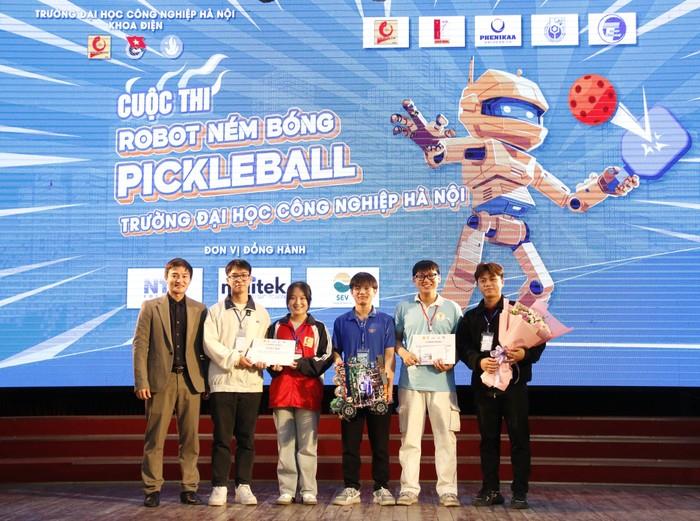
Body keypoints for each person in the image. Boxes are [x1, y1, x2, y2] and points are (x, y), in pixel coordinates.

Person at [456, 262, 545, 509]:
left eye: (493, 280)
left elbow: (540, 341)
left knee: (519, 439)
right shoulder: (471, 317)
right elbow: (463, 347)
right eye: (483, 281)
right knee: (488, 440)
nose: (488, 284)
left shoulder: (519, 311)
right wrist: (478, 361)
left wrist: (524, 354)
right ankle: (490, 490)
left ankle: (520, 492)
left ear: (502, 282)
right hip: (484, 387)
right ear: (477, 284)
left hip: (514, 386)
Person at [133, 257, 208, 507]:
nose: (179, 280)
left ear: (190, 280)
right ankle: (152, 489)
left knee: (191, 439)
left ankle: (189, 488)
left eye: (184, 276)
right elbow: (140, 346)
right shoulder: (150, 306)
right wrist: (141, 380)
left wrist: (206, 381)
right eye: (175, 275)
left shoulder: (200, 309)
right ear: (166, 278)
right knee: (155, 439)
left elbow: (204, 349)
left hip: (190, 381)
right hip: (159, 382)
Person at [394, 260, 463, 507]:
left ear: (439, 277)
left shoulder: (453, 308)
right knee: (410, 440)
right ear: (414, 280)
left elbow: (461, 344)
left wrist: (452, 360)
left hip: (443, 385)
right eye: (421, 276)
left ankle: (448, 491)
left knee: (445, 440)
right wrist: (403, 353)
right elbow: (395, 341)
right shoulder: (404, 308)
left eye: (431, 275)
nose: (426, 280)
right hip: (410, 383)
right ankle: (408, 490)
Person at [203, 259, 271, 507]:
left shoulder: (261, 313)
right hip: (222, 383)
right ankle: (219, 486)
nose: (239, 280)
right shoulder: (215, 311)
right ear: (227, 279)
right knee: (222, 438)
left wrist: (264, 359)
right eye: (234, 276)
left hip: (251, 384)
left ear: (250, 279)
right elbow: (209, 344)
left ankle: (244, 486)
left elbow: (266, 344)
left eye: (243, 275)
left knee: (246, 439)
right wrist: (235, 358)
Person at [331, 272, 396, 506]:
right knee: (350, 444)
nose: (362, 292)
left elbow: (389, 355)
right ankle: (351, 488)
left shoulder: (386, 320)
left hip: (377, 387)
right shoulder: (341, 321)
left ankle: (381, 488)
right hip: (351, 390)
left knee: (380, 444)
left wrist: (388, 387)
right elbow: (336, 351)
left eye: (367, 288)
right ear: (351, 292)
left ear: (375, 291)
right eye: (357, 288)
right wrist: (339, 366)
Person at [266, 281, 333, 505]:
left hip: (308, 393)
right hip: (282, 392)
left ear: (309, 301)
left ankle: (308, 490)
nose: (298, 302)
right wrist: (272, 365)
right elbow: (267, 353)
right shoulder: (277, 326)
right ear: (287, 301)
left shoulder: (318, 328)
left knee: (307, 445)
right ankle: (287, 489)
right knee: (285, 444)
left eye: (302, 298)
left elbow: (326, 357)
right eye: (293, 298)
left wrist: (301, 364)